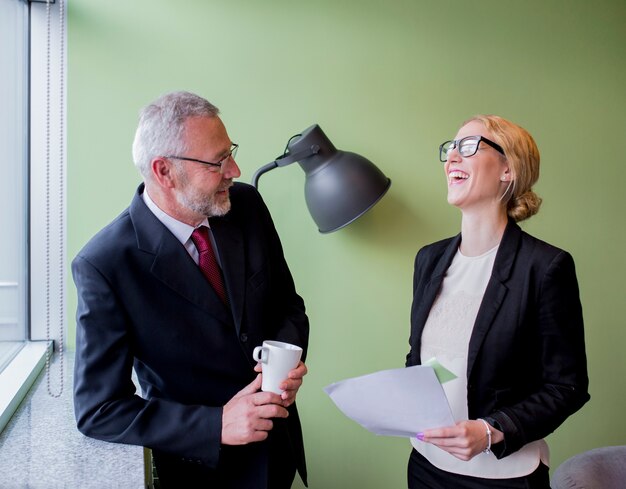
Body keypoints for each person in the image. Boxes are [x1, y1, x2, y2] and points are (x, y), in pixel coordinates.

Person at [72, 91, 309, 489]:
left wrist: (285, 361)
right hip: (198, 471)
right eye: (218, 161)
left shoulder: (246, 205)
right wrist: (216, 424)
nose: (235, 169)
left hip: (276, 450)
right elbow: (99, 409)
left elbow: (288, 306)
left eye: (230, 151)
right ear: (164, 171)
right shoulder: (105, 264)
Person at [406, 115, 589, 488]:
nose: (452, 157)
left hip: (503, 477)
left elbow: (566, 386)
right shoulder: (428, 259)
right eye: (450, 148)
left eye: (469, 146)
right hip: (425, 467)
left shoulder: (545, 267)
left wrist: (491, 430)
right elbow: (422, 359)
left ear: (508, 169)